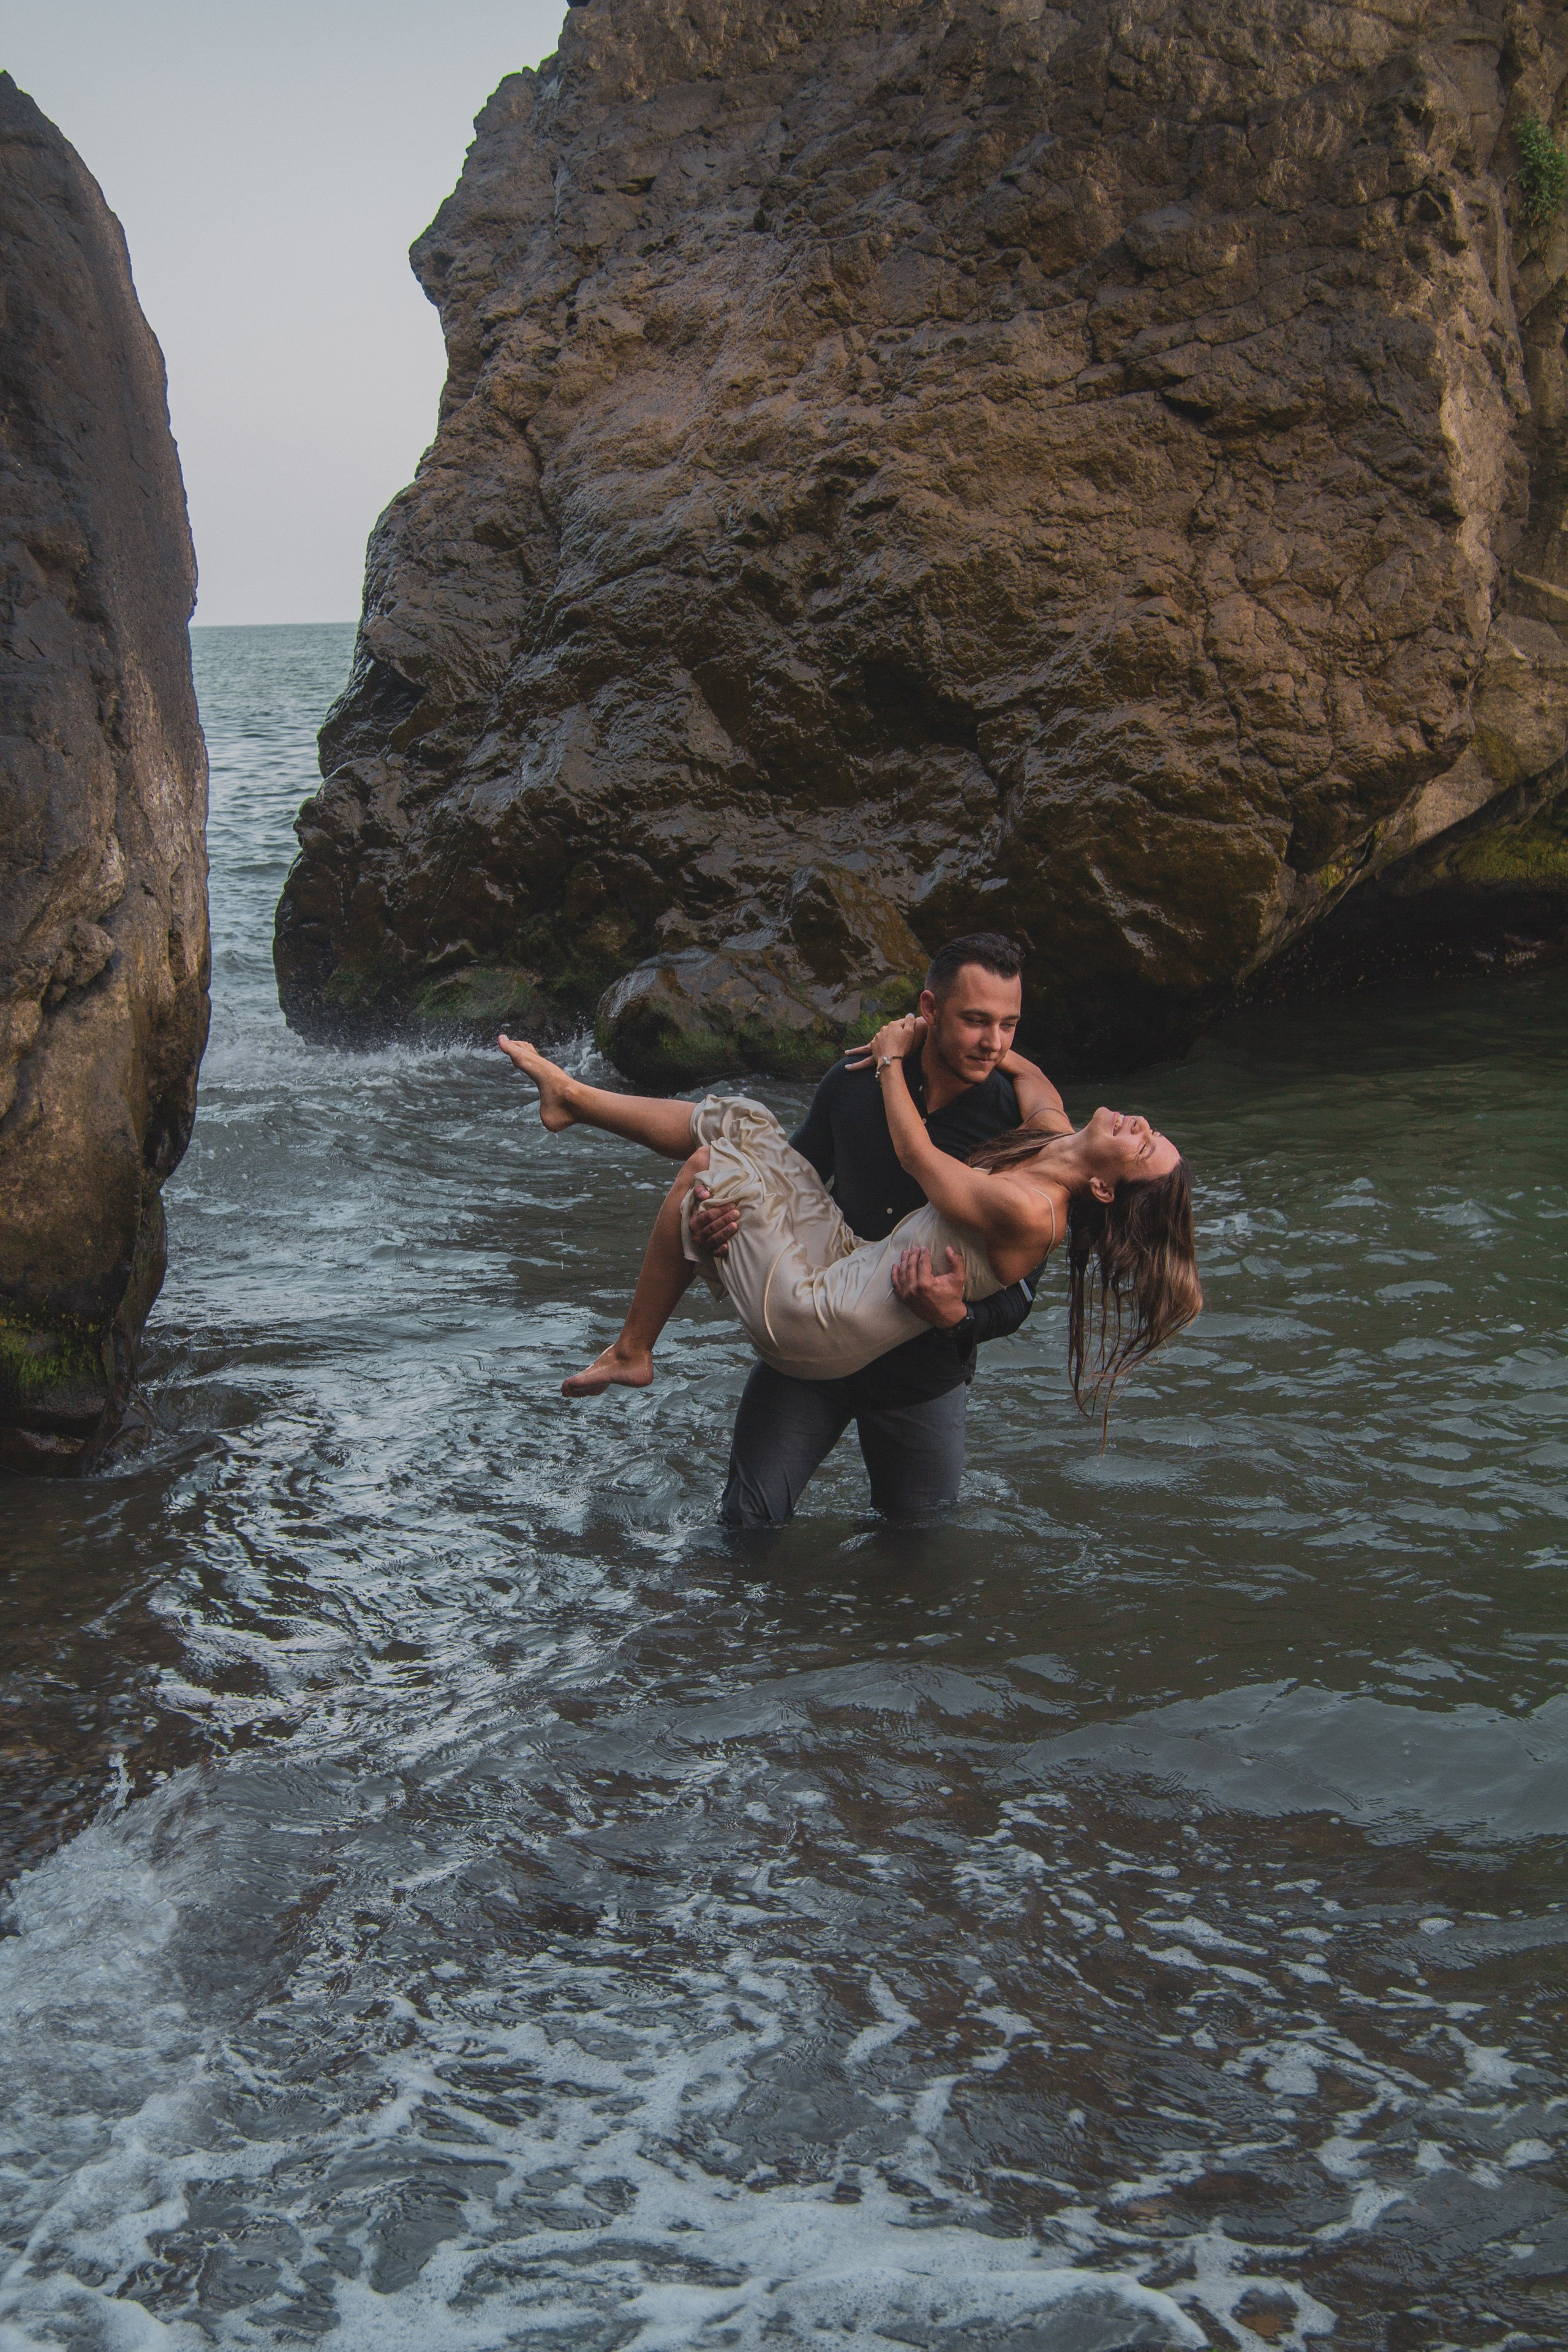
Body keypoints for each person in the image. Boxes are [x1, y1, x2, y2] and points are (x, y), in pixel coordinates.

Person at [497, 1004, 1202, 1498]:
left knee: (709, 1167)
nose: (1142, 1125)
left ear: (1104, 1189)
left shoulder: (1029, 1208)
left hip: (832, 1322)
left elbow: (918, 1157)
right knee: (744, 1126)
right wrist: (718, 1226)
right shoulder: (1046, 1138)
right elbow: (1035, 1080)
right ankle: (573, 1097)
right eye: (979, 1021)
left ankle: (633, 1350)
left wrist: (892, 1058)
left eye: (1144, 1148)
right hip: (843, 1266)